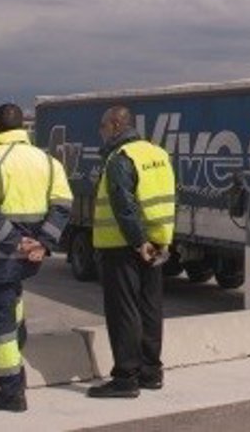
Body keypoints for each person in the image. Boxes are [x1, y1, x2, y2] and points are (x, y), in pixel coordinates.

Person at [0, 103, 72, 413]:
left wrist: (15, 243)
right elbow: (63, 205)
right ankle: (18, 345)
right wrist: (43, 242)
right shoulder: (48, 161)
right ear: (23, 127)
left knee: (1, 326)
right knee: (15, 296)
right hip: (31, 254)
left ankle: (12, 392)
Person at [88, 105, 176, 399]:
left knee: (124, 311)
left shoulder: (121, 158)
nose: (101, 133)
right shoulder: (158, 154)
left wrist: (138, 242)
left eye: (103, 127)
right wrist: (157, 240)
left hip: (123, 246)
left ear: (115, 125)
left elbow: (123, 204)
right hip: (158, 242)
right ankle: (151, 372)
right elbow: (171, 197)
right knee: (150, 309)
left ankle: (125, 377)